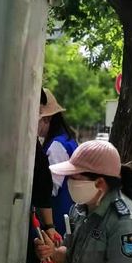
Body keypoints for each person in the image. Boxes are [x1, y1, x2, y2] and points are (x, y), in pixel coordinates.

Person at [21, 92, 64, 263]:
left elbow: (45, 188)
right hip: (34, 224)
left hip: (30, 227)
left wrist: (48, 229)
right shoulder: (31, 142)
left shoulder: (36, 144)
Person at [39, 88, 79, 236]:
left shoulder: (57, 146)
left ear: (47, 119)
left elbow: (50, 189)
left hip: (57, 221)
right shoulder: (66, 140)